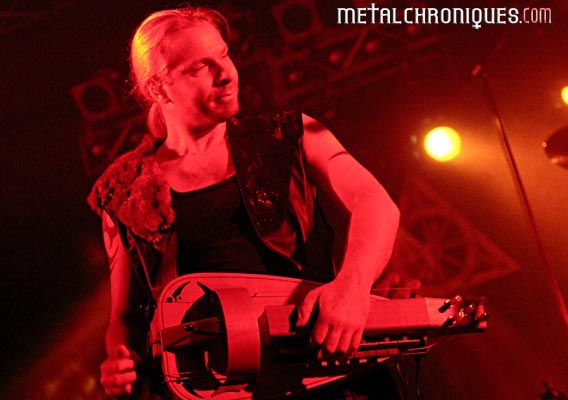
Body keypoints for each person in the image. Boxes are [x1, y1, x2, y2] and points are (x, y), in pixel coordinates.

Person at [87, 6, 414, 399]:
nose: (226, 73)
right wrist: (119, 363)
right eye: (201, 67)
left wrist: (352, 288)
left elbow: (375, 202)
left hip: (326, 376)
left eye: (224, 55)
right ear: (158, 88)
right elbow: (125, 318)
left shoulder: (294, 134)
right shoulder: (124, 190)